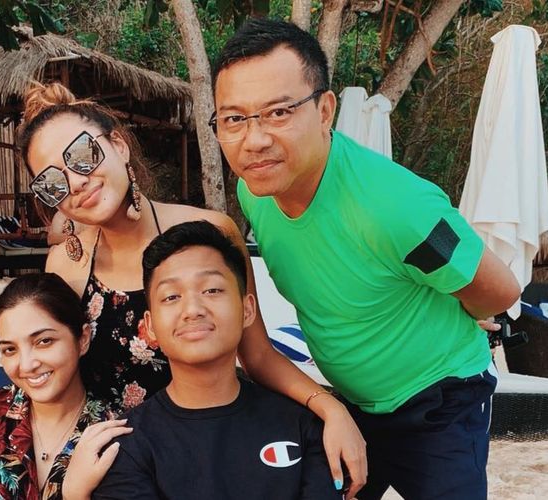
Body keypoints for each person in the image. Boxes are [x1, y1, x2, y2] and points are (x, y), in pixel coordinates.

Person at [0, 81, 366, 495]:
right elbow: (52, 362)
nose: (76, 183)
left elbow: (258, 354)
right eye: (52, 180)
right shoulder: (67, 264)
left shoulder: (206, 236)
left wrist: (330, 409)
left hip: (208, 441)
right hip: (115, 460)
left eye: (83, 155)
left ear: (118, 145)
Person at [209, 18, 521, 500]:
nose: (254, 140)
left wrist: (457, 314)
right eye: (234, 119)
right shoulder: (256, 192)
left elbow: (498, 292)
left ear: (325, 110)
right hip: (352, 403)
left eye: (278, 112)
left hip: (440, 400)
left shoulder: (398, 209)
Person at [94, 221, 341, 499]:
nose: (193, 309)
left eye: (211, 290)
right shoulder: (127, 446)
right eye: (171, 296)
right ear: (149, 326)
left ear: (247, 309)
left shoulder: (301, 426)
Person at [0, 273, 130, 499]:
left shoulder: (114, 434)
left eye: (44, 341)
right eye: (10, 349)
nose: (26, 365)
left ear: (83, 339)